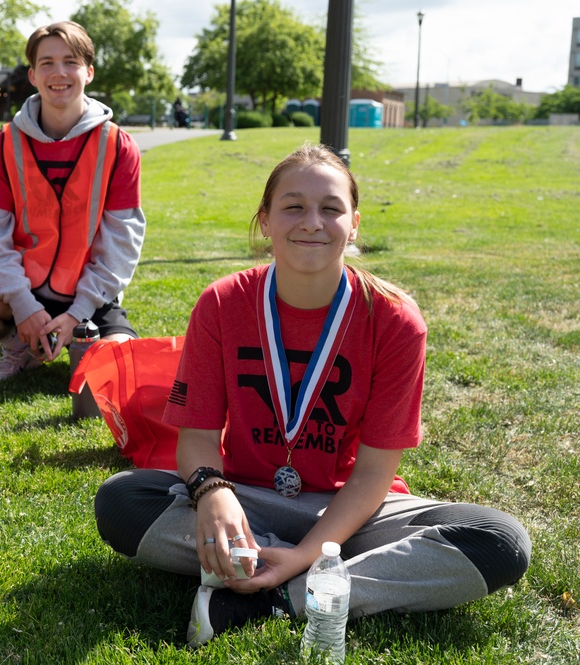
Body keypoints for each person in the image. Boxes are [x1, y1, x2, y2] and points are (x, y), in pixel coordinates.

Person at [94, 143, 531, 646]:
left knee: (500, 541)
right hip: (247, 501)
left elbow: (373, 474)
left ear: (355, 223)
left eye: (331, 208)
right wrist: (212, 492)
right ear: (265, 221)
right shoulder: (222, 302)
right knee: (122, 499)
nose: (312, 222)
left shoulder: (394, 320)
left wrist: (307, 554)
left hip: (353, 511)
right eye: (294, 206)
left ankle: (273, 595)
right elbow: (196, 438)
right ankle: (318, 581)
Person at [0, 20, 145, 382]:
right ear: (32, 74)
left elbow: (122, 243)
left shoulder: (118, 146)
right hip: (22, 289)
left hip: (89, 296)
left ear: (88, 72)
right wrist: (24, 305)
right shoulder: (3, 144)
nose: (58, 73)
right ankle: (21, 338)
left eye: (71, 62)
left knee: (120, 363)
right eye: (47, 63)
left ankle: (77, 335)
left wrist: (79, 313)